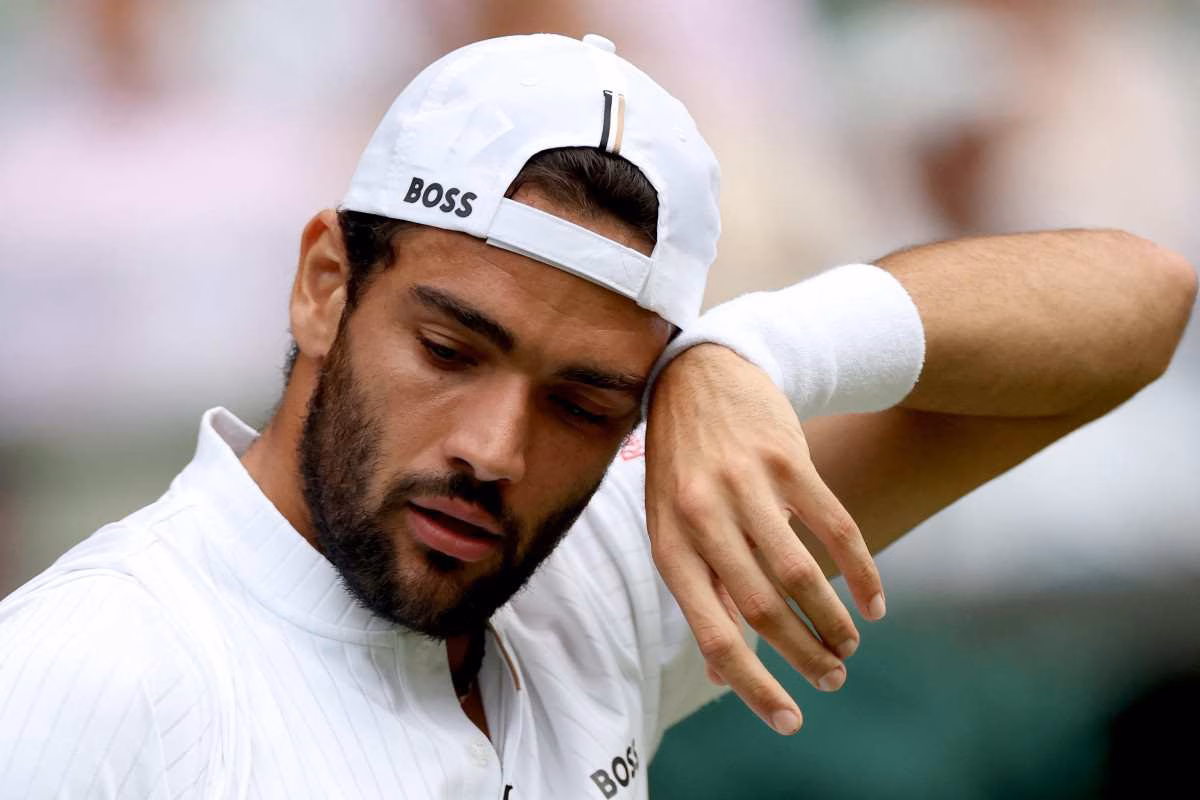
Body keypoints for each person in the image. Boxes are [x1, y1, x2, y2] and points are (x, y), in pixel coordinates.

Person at [0, 33, 1194, 800]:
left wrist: (752, 353)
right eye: (450, 347)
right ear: (325, 283)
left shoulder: (597, 570)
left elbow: (1144, 299)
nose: (495, 449)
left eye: (586, 398)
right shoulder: (91, 666)